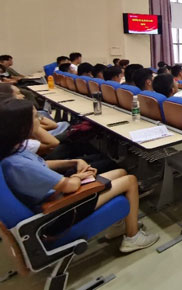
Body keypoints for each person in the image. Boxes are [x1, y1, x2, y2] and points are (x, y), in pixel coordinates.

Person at [0, 98, 159, 252]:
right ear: (23, 125)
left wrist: (74, 162)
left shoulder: (13, 152)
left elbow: (42, 165)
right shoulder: (20, 163)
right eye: (36, 117)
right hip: (59, 211)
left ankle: (119, 225)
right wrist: (78, 176)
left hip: (56, 199)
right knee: (130, 180)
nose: (40, 120)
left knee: (120, 172)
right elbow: (69, 186)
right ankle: (132, 237)